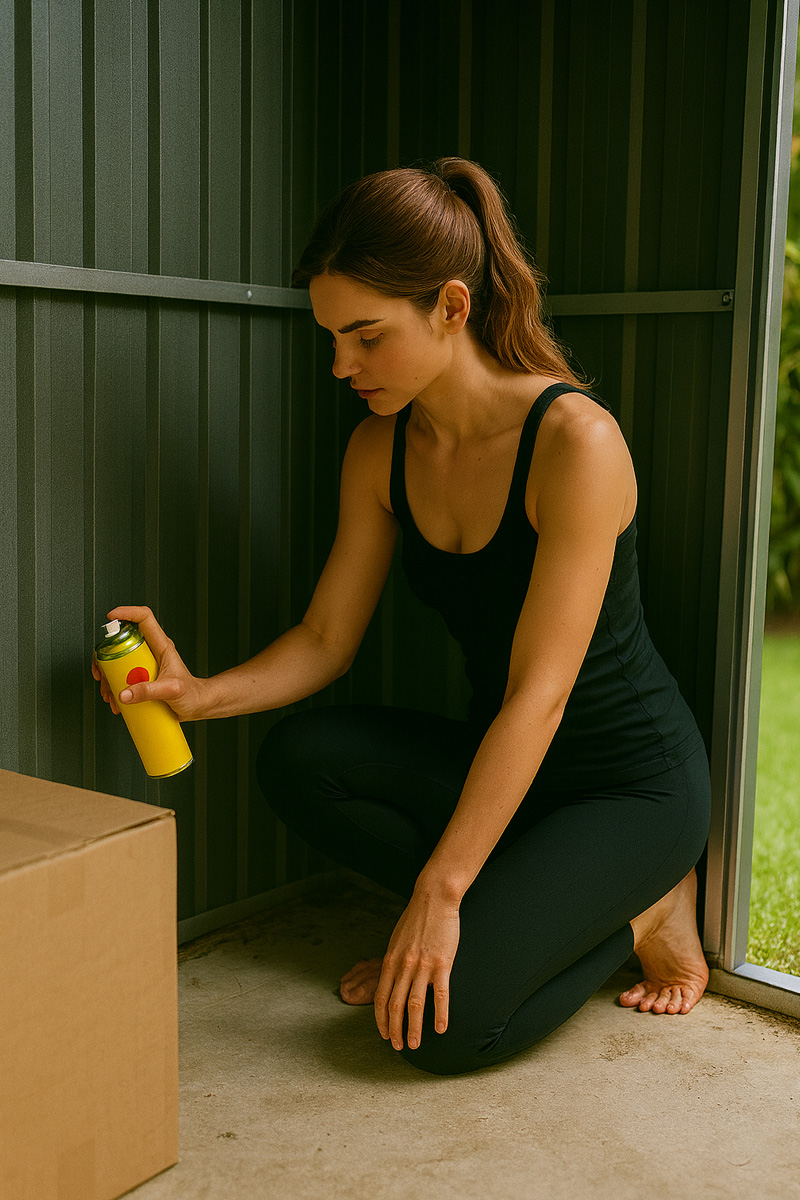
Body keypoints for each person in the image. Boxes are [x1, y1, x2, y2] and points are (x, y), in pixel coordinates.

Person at [93, 157, 712, 1077]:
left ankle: (643, 903)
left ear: (452, 309)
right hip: (504, 776)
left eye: (367, 336)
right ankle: (531, 908)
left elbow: (540, 697)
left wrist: (440, 889)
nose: (343, 365)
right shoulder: (379, 448)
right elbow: (325, 640)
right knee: (301, 760)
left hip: (627, 787)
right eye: (332, 338)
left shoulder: (577, 444)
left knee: (441, 1033)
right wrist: (197, 695)